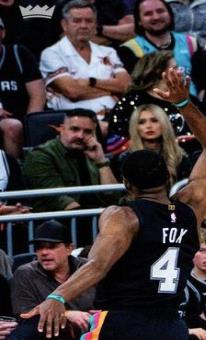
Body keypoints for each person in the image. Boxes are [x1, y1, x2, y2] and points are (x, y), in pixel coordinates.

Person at [21, 66, 206, 340]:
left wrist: (57, 296)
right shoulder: (191, 208)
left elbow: (98, 265)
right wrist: (184, 103)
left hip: (121, 328)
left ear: (126, 183)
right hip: (170, 331)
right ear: (168, 177)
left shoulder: (122, 215)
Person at [39, 0, 131, 120]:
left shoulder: (108, 52)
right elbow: (73, 91)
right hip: (75, 122)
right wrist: (112, 91)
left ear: (95, 25)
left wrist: (91, 81)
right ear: (64, 25)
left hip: (115, 118)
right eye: (77, 21)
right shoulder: (52, 53)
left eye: (89, 21)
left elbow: (126, 86)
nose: (83, 25)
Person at [22, 108, 119, 212]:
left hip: (98, 215)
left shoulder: (93, 152)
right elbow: (60, 201)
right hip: (60, 218)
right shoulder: (40, 156)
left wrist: (102, 162)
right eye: (74, 129)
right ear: (61, 129)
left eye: (87, 131)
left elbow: (114, 197)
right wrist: (100, 216)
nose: (80, 136)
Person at [107, 50, 193, 142]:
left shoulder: (186, 98)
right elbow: (117, 136)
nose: (180, 71)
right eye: (175, 68)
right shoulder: (131, 101)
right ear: (159, 72)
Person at [118, 0, 198, 96]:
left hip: (193, 101)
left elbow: (202, 83)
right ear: (139, 21)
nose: (156, 17)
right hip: (153, 103)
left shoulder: (191, 42)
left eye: (160, 11)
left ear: (170, 14)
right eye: (148, 14)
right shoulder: (128, 49)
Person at [0, 17, 45, 158]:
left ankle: (17, 168)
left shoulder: (19, 53)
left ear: (2, 33)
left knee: (13, 126)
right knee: (11, 125)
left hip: (20, 120)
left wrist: (30, 124)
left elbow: (38, 95)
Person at [122, 103, 192, 186]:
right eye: (141, 122)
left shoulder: (179, 156)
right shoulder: (126, 158)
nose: (149, 126)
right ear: (135, 127)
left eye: (154, 121)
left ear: (164, 124)